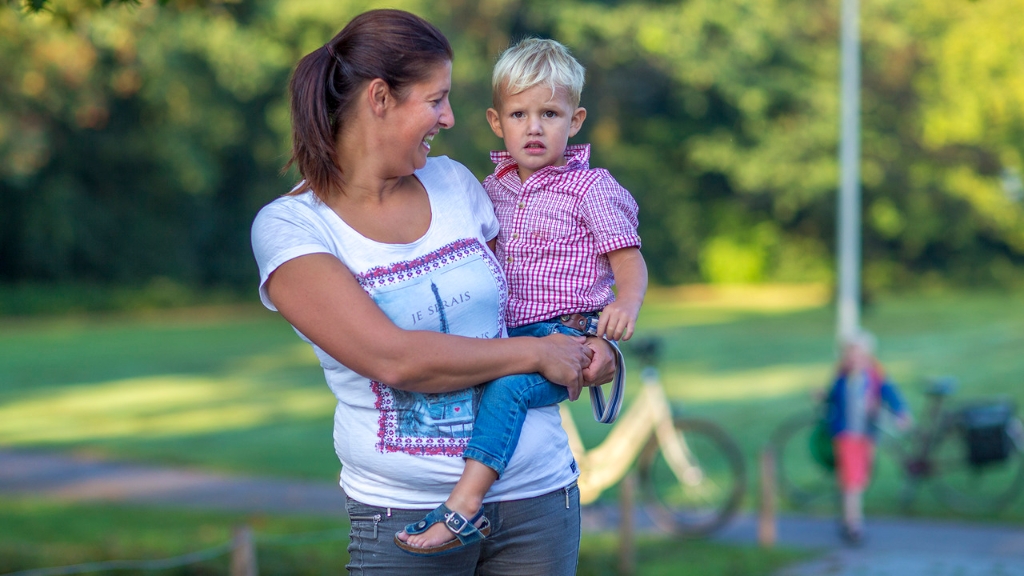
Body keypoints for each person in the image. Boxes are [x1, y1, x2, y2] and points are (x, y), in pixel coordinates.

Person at [250, 10, 616, 575]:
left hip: (539, 496)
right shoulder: (293, 228)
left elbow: (533, 301)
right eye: (436, 99)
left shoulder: (455, 183)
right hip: (404, 516)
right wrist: (541, 353)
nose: (448, 117)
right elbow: (393, 358)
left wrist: (594, 345)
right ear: (380, 98)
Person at [396, 37, 648, 555]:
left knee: (508, 391)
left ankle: (463, 505)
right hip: (509, 335)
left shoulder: (590, 189)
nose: (534, 127)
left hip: (567, 335)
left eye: (550, 113)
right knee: (461, 373)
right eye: (519, 114)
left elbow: (628, 259)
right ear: (496, 121)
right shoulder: (492, 189)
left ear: (575, 121)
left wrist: (625, 307)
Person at [823, 330, 911, 545]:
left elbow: (892, 395)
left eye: (860, 355)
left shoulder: (875, 376)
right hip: (846, 435)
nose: (855, 360)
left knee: (860, 478)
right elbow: (832, 399)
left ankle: (848, 514)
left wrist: (901, 413)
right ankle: (854, 524)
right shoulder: (842, 377)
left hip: (866, 435)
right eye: (851, 355)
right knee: (852, 480)